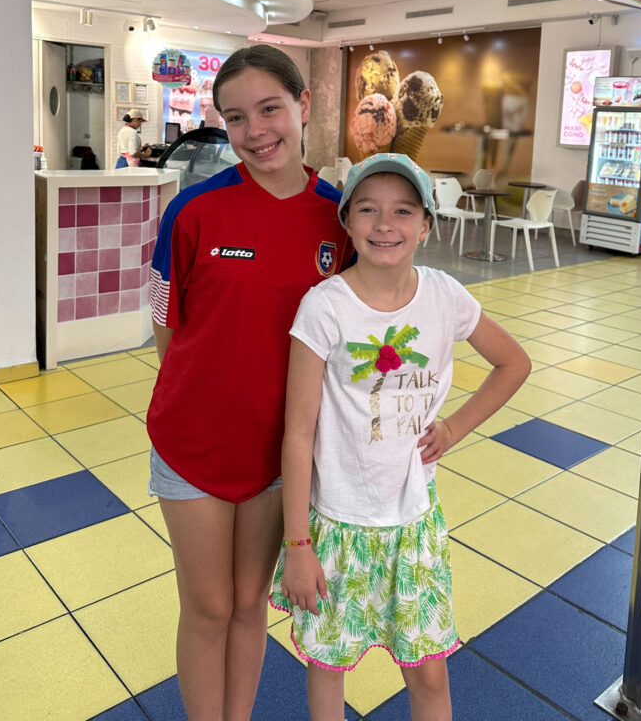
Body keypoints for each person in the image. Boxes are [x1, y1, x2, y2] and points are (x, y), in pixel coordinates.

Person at [270, 153, 531, 721]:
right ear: (346, 222)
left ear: (426, 224)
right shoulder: (325, 307)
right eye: (367, 209)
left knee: (430, 674)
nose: (384, 224)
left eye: (402, 211)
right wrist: (297, 546)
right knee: (328, 670)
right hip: (336, 525)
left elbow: (513, 363)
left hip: (414, 524)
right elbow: (298, 432)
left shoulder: (445, 297)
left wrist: (455, 427)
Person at [147, 44, 353, 721]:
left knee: (248, 604)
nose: (255, 130)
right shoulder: (194, 211)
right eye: (235, 118)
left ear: (305, 105)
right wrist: (203, 390)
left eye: (270, 108)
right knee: (206, 606)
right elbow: (162, 317)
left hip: (280, 452)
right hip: (194, 442)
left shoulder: (338, 217)